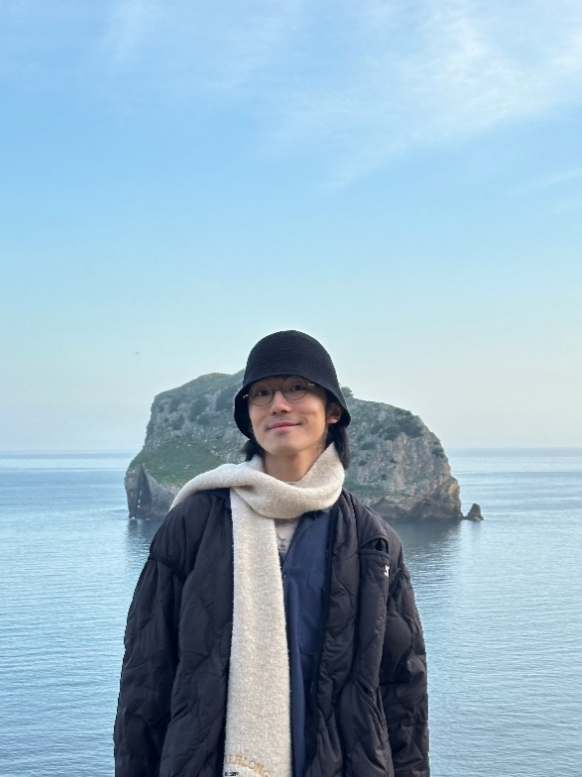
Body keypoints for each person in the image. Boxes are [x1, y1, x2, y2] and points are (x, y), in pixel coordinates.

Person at [114, 330, 429, 777]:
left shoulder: (372, 542)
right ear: (248, 415)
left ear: (333, 410)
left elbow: (402, 692)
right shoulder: (194, 523)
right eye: (261, 393)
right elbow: (147, 678)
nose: (278, 404)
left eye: (297, 387)